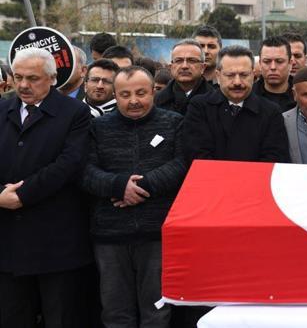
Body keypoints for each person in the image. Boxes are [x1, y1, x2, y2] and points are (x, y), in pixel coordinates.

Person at [82, 66, 186, 328]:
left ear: (153, 92)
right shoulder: (97, 127)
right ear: (115, 95)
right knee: (115, 313)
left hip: (158, 234)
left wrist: (144, 186)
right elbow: (84, 171)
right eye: (125, 94)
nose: (134, 101)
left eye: (141, 93)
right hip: (110, 235)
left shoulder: (174, 123)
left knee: (157, 313)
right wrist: (118, 186)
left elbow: (182, 164)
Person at [0, 48, 93, 327]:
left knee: (59, 317)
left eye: (33, 78)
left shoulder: (75, 112)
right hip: (8, 242)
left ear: (52, 79)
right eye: (18, 77)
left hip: (56, 243)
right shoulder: (3, 109)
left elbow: (69, 163)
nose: (23, 85)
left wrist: (22, 195)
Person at [183, 45, 290, 165]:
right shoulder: (200, 107)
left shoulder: (271, 112)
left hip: (256, 177)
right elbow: (196, 154)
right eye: (230, 75)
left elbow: (274, 158)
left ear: (253, 75)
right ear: (218, 76)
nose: (237, 82)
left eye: (244, 75)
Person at [155, 39, 212, 116]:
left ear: (203, 67)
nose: (184, 66)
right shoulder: (156, 101)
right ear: (171, 67)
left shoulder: (216, 101)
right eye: (179, 60)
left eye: (192, 60)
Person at [252, 36, 296, 112]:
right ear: (260, 63)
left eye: (279, 61)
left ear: (290, 64)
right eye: (267, 61)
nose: (273, 67)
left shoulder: (303, 94)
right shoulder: (248, 95)